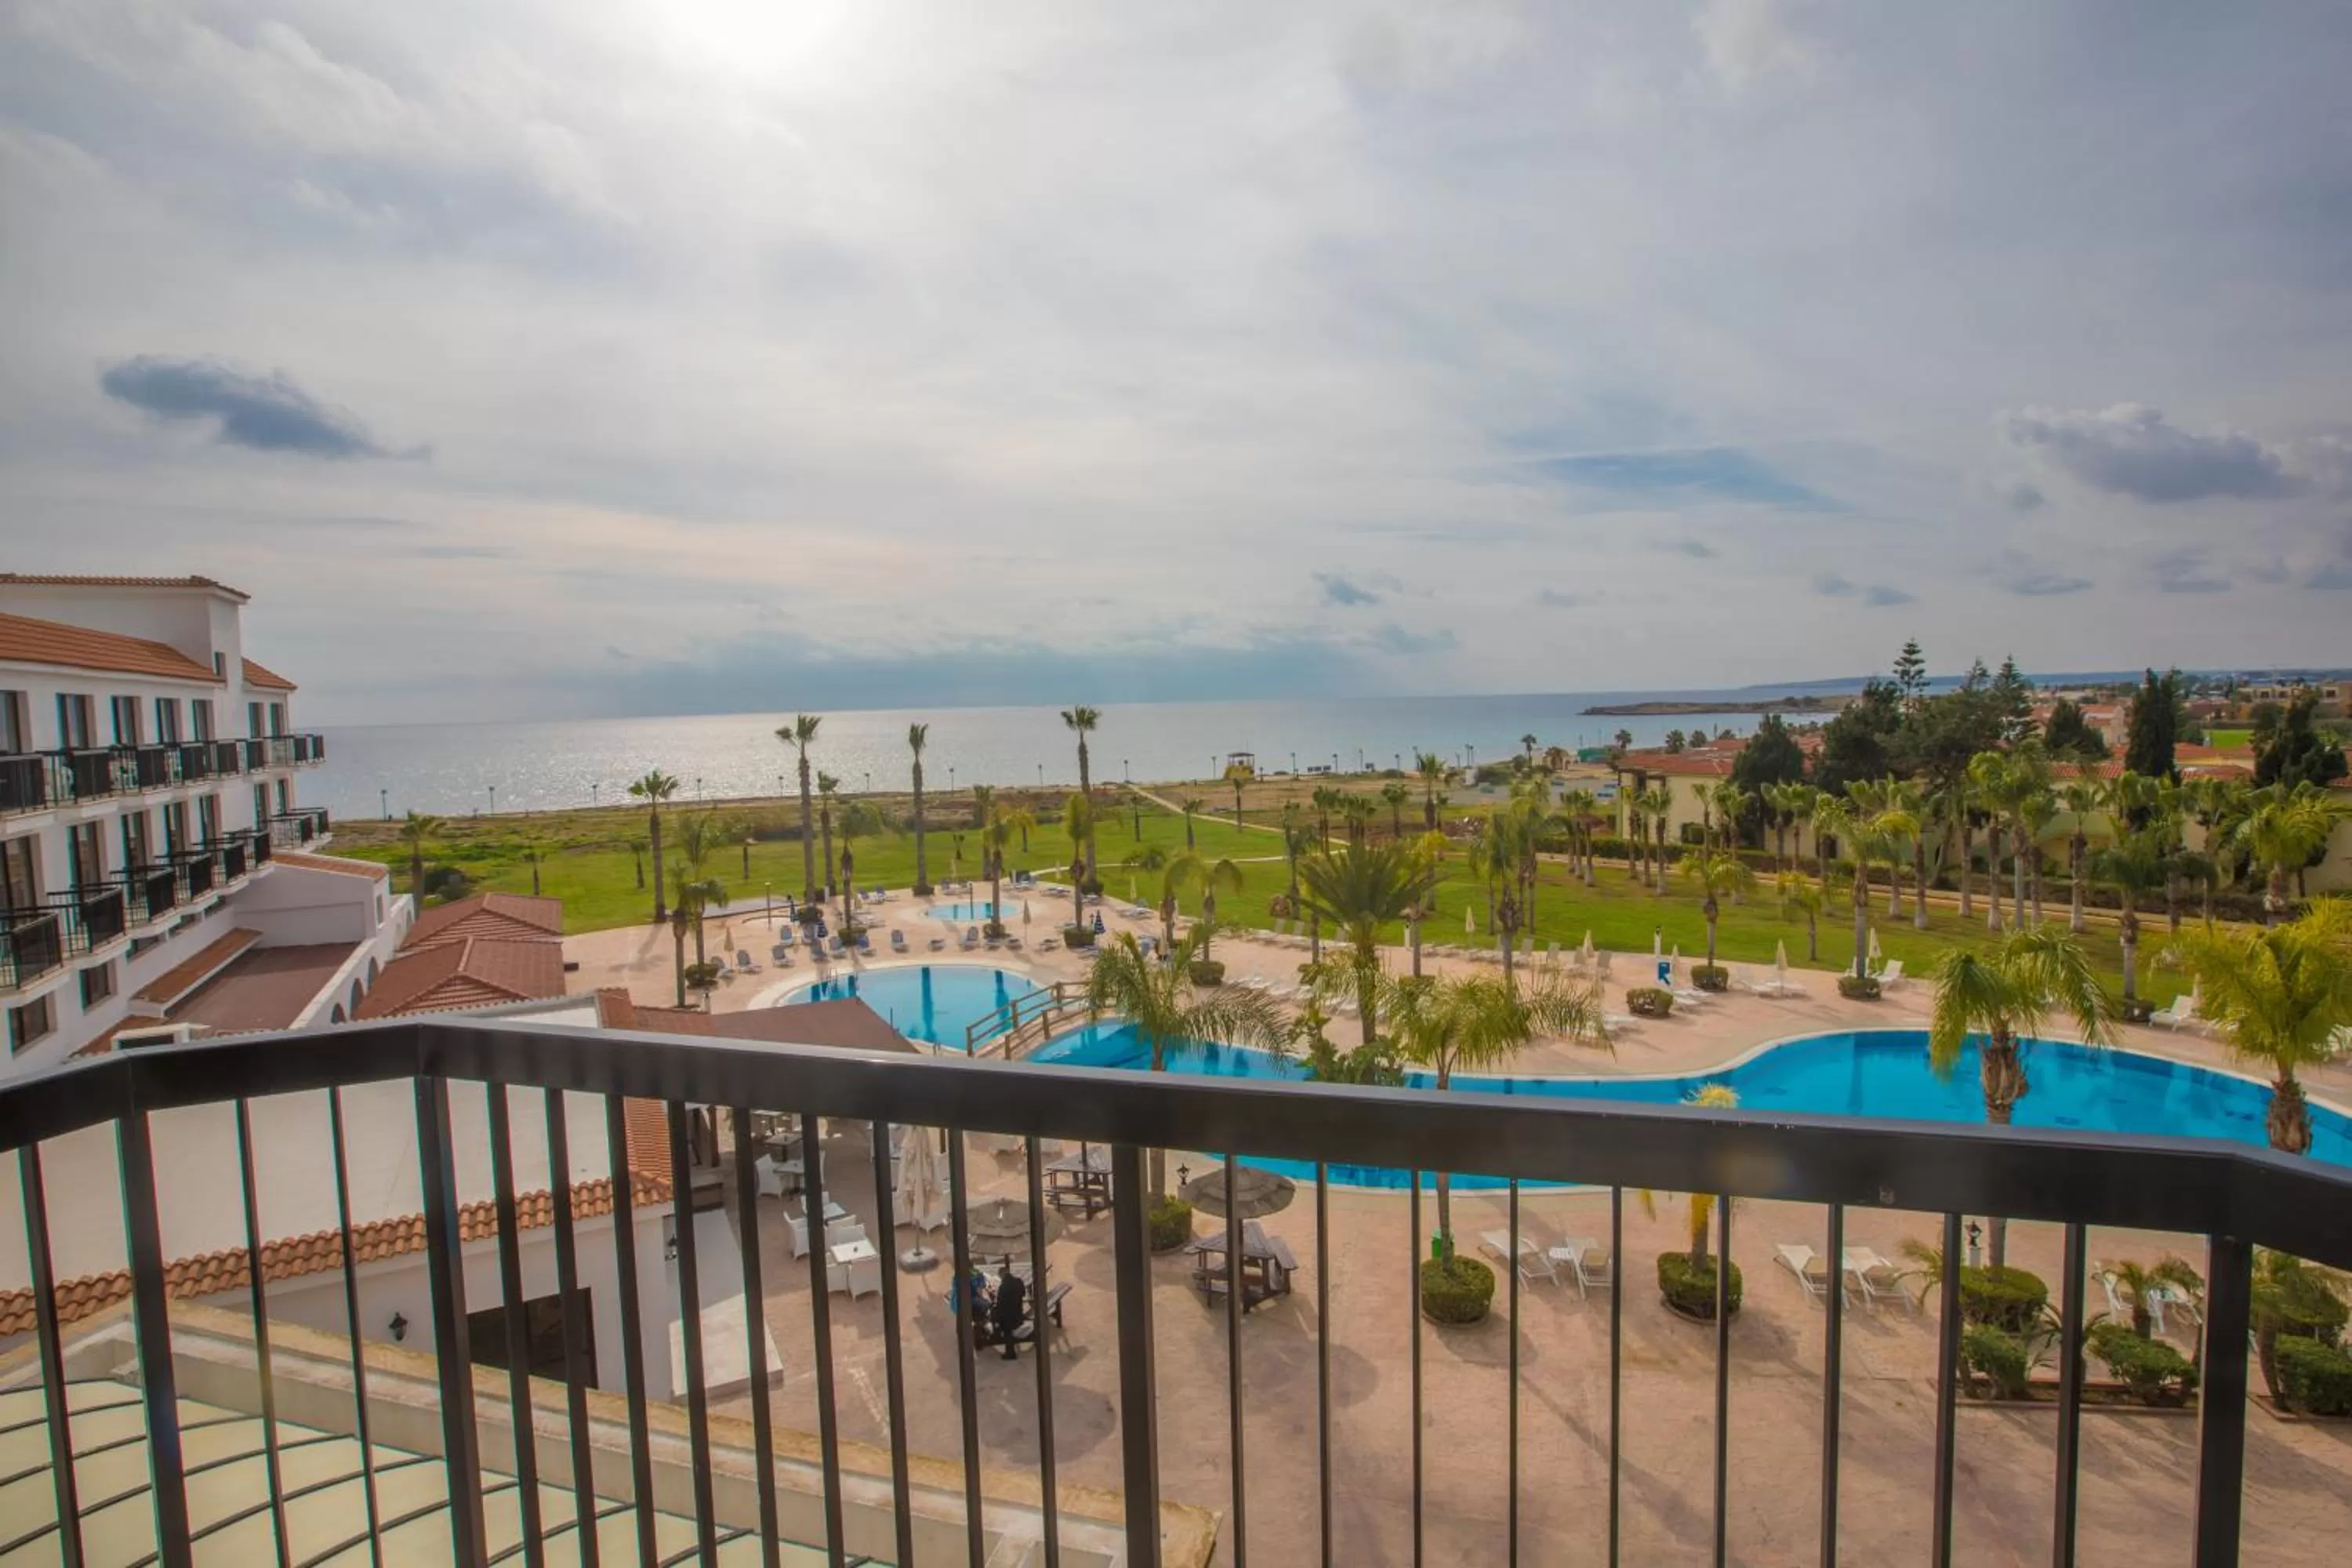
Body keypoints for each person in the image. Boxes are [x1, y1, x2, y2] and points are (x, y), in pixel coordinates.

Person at [992, 1265, 1028, 1360]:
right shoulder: (1019, 1281)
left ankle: (1010, 1353)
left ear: (1002, 1275)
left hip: (1008, 1318)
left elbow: (1000, 1304)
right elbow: (1023, 1294)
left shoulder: (1003, 1287)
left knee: (997, 1317)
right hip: (1018, 1313)